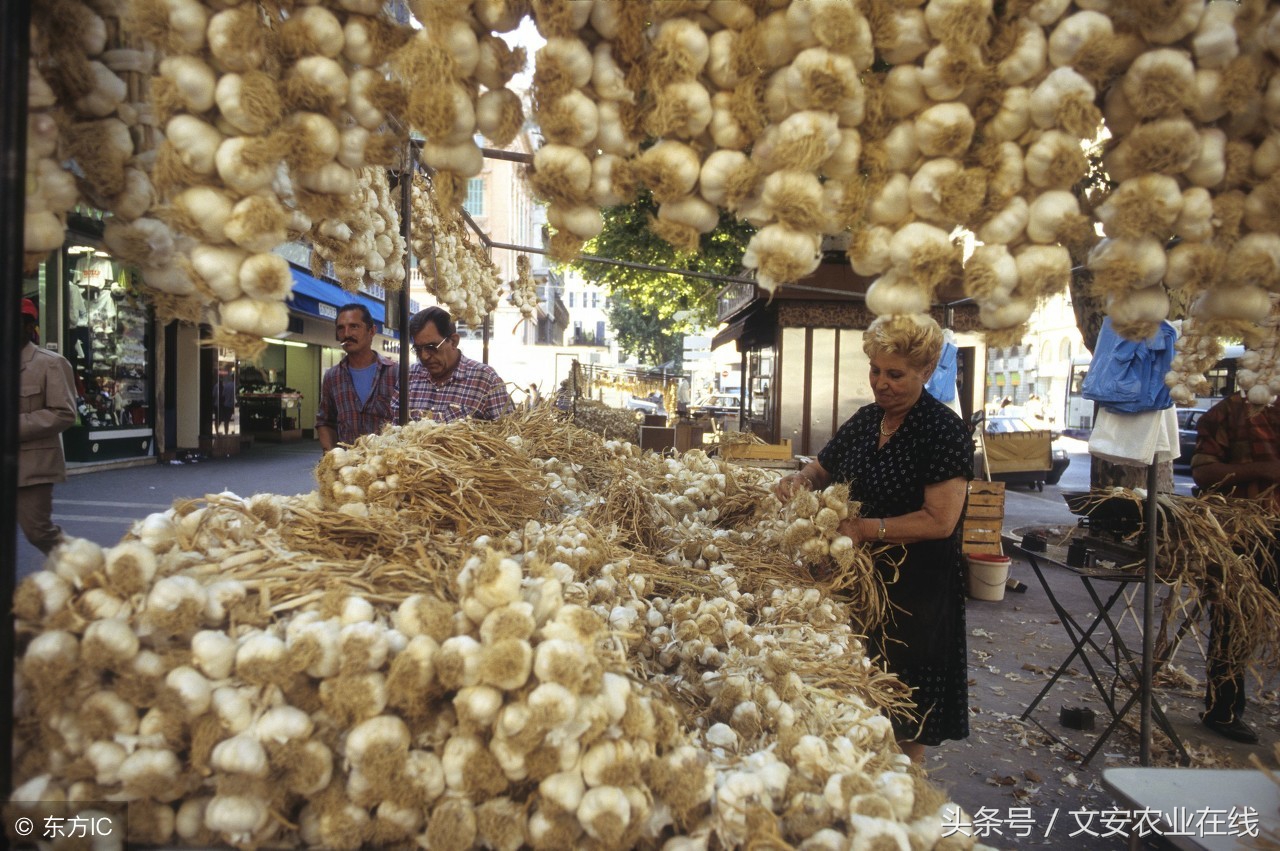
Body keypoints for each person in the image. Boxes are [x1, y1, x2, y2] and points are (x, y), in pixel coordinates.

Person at [774, 314, 972, 763]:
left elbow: (939, 520)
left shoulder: (943, 431)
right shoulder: (867, 421)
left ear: (925, 371)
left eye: (895, 374)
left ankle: (905, 797)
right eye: (875, 371)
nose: (881, 383)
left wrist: (867, 529)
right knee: (854, 699)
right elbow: (822, 468)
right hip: (855, 586)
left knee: (904, 709)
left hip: (913, 595)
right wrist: (799, 481)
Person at [1190, 392, 1280, 744]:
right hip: (1246, 533)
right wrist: (1263, 470)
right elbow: (1203, 473)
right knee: (1235, 623)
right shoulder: (1232, 410)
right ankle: (1223, 711)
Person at [18, 298, 78, 555]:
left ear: (30, 326)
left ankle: (84, 568)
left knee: (38, 531)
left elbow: (64, 413)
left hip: (32, 468)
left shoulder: (50, 363)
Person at [394, 306, 514, 423]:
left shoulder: (485, 379)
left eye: (431, 347)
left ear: (453, 341)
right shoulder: (409, 377)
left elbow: (507, 433)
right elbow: (393, 428)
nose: (424, 356)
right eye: (418, 349)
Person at [316, 303, 398, 451]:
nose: (347, 334)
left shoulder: (395, 373)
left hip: (388, 468)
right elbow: (325, 422)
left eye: (354, 326)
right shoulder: (332, 377)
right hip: (348, 470)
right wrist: (331, 456)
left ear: (372, 331)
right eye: (341, 328)